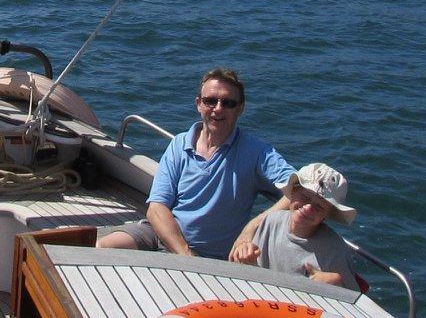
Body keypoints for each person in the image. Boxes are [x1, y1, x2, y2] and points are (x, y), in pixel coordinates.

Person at [97, 67, 299, 259]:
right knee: (103, 247)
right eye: (211, 101)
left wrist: (255, 224)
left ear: (241, 108)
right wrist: (185, 254)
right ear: (199, 104)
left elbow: (302, 188)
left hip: (213, 255)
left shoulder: (256, 152)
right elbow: (157, 207)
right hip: (165, 235)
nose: (218, 109)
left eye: (228, 103)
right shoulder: (179, 144)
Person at [228, 161, 360, 287]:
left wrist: (338, 282)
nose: (308, 208)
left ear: (327, 215)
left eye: (319, 206)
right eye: (305, 197)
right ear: (293, 192)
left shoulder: (334, 248)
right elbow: (246, 269)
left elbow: (354, 295)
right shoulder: (270, 222)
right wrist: (244, 256)